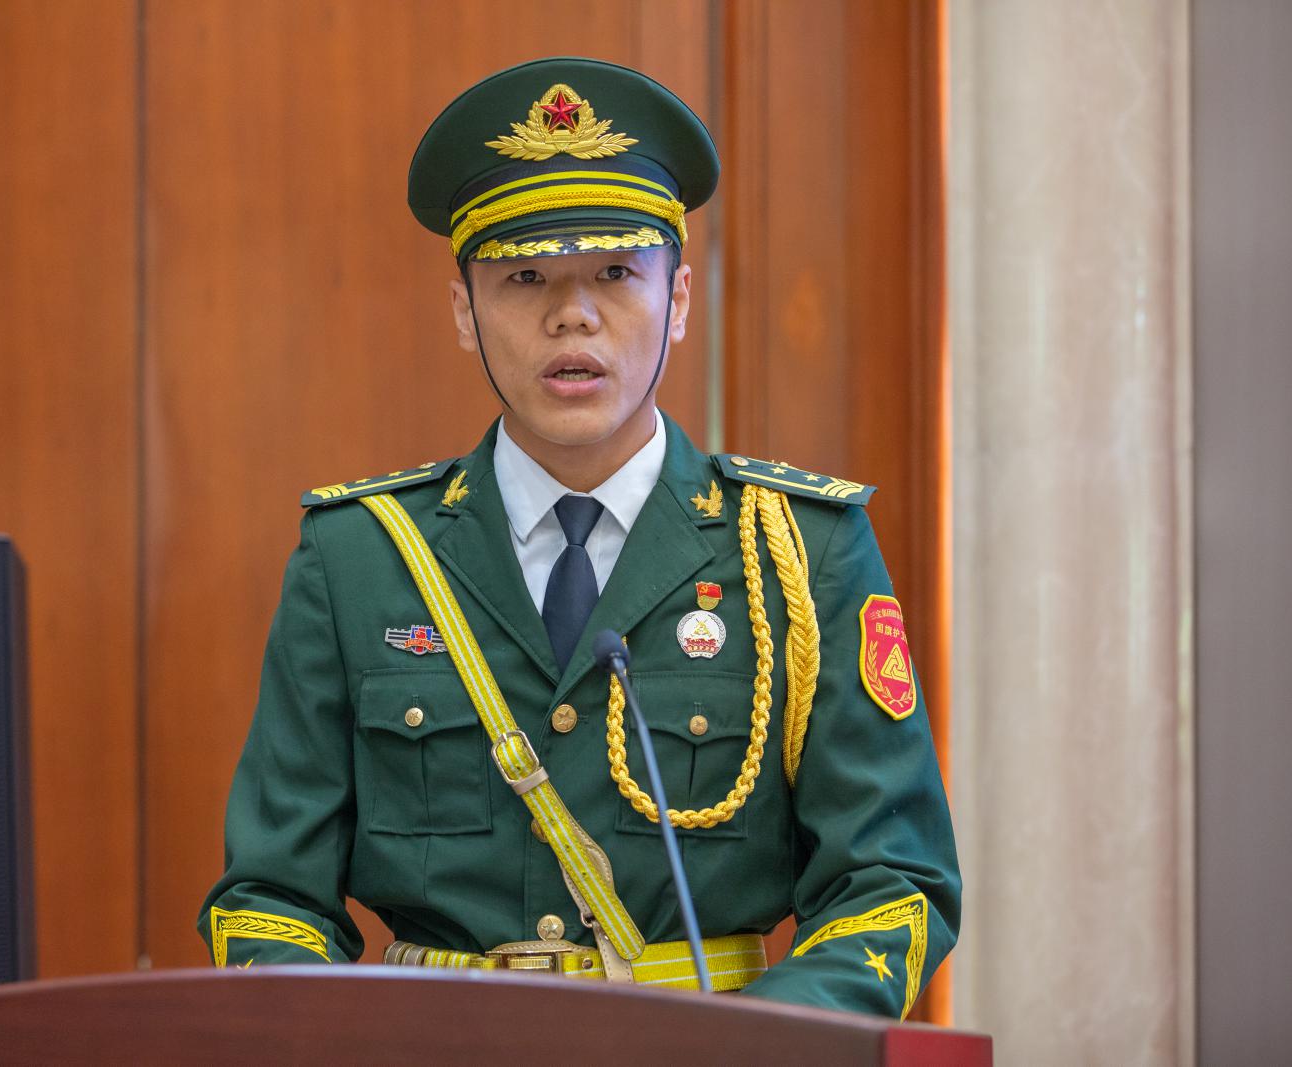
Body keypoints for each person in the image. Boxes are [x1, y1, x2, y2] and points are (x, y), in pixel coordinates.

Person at [199, 56, 959, 1018]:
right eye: (524, 277)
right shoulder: (359, 558)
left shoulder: (799, 552)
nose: (573, 314)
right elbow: (268, 897)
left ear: (678, 301)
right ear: (465, 311)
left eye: (615, 272)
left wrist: (760, 1048)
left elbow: (890, 882)